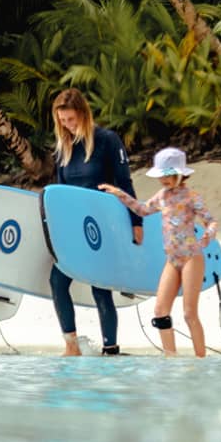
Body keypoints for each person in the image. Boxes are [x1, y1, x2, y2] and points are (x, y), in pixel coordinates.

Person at [48, 89, 141, 357]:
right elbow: (60, 193)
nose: (67, 125)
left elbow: (124, 183)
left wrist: (137, 223)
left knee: (100, 288)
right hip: (73, 230)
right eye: (62, 121)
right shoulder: (62, 149)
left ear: (84, 115)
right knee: (57, 280)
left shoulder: (107, 141)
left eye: (71, 120)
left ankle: (110, 348)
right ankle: (71, 345)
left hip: (102, 227)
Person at [102, 146, 218, 358]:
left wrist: (209, 235)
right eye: (162, 176)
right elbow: (142, 210)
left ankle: (201, 360)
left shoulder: (192, 196)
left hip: (191, 256)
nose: (164, 180)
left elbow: (211, 221)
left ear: (180, 174)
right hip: (172, 260)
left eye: (169, 175)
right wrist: (120, 194)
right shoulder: (162, 196)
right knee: (160, 311)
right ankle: (170, 358)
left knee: (189, 313)